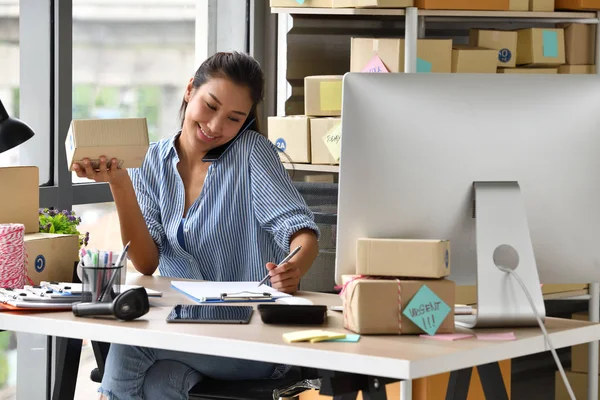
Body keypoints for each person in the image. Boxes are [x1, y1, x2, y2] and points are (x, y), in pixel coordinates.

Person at [73, 51, 320, 400]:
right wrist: (120, 183)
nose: (217, 126)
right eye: (211, 106)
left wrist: (294, 267)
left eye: (234, 118)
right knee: (161, 382)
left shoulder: (252, 153)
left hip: (254, 337)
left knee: (131, 346)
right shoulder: (152, 161)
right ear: (190, 89)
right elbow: (146, 262)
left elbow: (301, 232)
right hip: (186, 331)